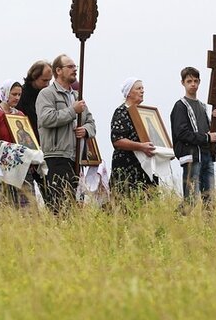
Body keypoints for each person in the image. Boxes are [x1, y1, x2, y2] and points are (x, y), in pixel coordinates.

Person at [37, 54, 97, 212]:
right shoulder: (47, 94)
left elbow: (91, 122)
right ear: (58, 70)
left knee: (74, 205)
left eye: (75, 66)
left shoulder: (77, 96)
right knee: (59, 205)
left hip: (75, 157)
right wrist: (72, 111)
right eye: (70, 67)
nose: (75, 69)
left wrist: (85, 130)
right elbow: (46, 119)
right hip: (57, 155)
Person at [171, 66, 216, 210]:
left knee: (209, 198)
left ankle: (208, 230)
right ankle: (174, 224)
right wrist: (206, 138)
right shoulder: (180, 106)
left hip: (207, 155)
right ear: (183, 83)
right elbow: (182, 133)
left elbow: (210, 130)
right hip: (192, 157)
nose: (193, 84)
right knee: (190, 200)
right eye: (189, 81)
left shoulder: (202, 106)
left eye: (195, 81)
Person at [110, 78, 160, 199]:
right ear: (128, 93)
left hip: (145, 167)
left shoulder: (144, 113)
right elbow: (117, 140)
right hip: (126, 167)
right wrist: (141, 146)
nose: (142, 91)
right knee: (126, 203)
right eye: (138, 88)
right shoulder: (121, 112)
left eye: (142, 88)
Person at [18, 60, 52, 135]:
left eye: (49, 81)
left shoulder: (48, 96)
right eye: (44, 80)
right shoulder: (20, 95)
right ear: (34, 77)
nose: (47, 84)